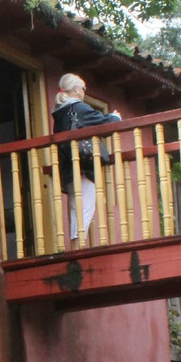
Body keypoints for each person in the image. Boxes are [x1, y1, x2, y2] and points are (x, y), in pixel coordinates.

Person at [51, 73, 121, 247]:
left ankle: (76, 245)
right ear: (75, 89)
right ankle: (78, 246)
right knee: (86, 205)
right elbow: (105, 123)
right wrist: (116, 117)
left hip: (68, 167)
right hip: (83, 164)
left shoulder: (60, 113)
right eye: (83, 88)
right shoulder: (78, 108)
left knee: (76, 206)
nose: (84, 92)